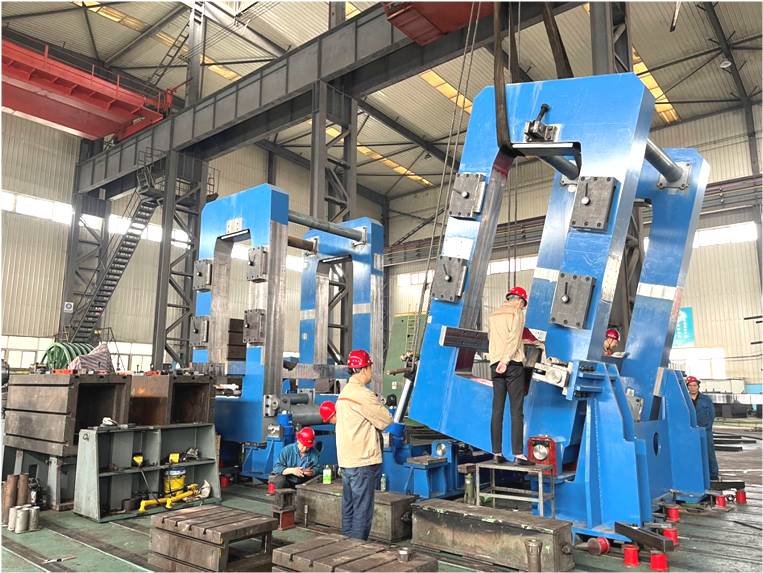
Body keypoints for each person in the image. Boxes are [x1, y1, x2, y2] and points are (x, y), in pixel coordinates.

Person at [336, 349, 393, 540]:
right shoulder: (362, 394)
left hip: (347, 461)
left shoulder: (344, 393)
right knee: (362, 510)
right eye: (370, 368)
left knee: (349, 507)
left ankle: (347, 545)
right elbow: (385, 420)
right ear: (364, 369)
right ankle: (356, 551)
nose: (371, 372)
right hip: (361, 462)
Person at [488, 286, 532, 465]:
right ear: (519, 301)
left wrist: (498, 361)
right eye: (523, 304)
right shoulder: (516, 313)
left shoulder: (493, 314)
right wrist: (505, 361)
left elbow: (491, 338)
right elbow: (514, 339)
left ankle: (496, 453)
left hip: (494, 364)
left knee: (497, 410)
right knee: (516, 410)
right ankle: (518, 455)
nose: (522, 307)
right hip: (511, 364)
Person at [686, 375, 719, 480]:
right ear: (687, 387)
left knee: (709, 452)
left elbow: (712, 414)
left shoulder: (706, 399)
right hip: (691, 431)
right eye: (690, 386)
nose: (692, 388)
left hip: (705, 430)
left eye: (694, 385)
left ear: (698, 386)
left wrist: (707, 428)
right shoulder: (684, 400)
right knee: (692, 453)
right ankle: (696, 474)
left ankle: (713, 474)